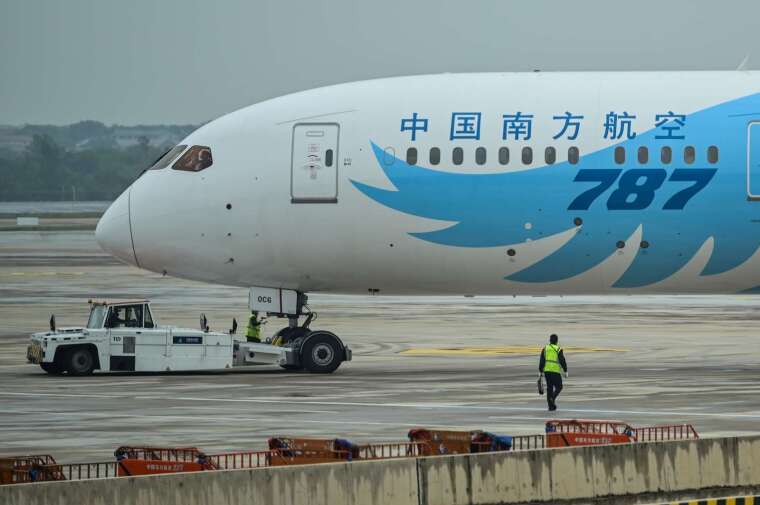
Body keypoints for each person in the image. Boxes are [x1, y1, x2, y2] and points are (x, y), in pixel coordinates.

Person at [538, 334, 568, 411]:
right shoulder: (558, 349)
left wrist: (540, 371)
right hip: (555, 371)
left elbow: (542, 360)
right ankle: (552, 398)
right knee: (559, 387)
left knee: (549, 388)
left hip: (547, 371)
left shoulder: (545, 348)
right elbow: (562, 360)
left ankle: (551, 406)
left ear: (550, 340)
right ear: (557, 341)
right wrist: (565, 370)